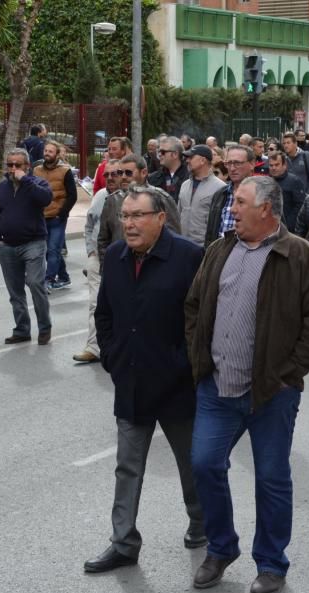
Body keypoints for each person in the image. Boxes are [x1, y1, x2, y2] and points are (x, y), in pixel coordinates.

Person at [185, 175, 309, 593]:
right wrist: (200, 357)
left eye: (239, 201)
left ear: (266, 209)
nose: (232, 209)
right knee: (204, 465)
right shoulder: (220, 250)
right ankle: (221, 547)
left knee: (271, 478)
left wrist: (286, 375)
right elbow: (194, 305)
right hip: (217, 389)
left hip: (271, 394)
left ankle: (271, 563)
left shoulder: (303, 258)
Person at [84, 186, 207, 573]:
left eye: (138, 216)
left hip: (176, 386)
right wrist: (113, 359)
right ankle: (123, 542)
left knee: (192, 464)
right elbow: (104, 314)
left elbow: (202, 323)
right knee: (127, 466)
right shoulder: (118, 255)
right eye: (125, 216)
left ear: (160, 219)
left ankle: (202, 523)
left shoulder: (188, 257)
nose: (130, 224)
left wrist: (182, 366)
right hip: (131, 383)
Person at [0, 148, 53, 345]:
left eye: (18, 165)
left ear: (27, 166)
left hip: (33, 242)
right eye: (10, 165)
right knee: (15, 291)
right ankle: (22, 329)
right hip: (7, 246)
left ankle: (44, 327)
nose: (13, 169)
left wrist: (24, 180)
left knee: (35, 283)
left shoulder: (37, 183)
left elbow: (45, 199)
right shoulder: (1, 188)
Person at [74, 159, 119, 365]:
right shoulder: (100, 196)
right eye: (107, 175)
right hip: (98, 259)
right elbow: (90, 224)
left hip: (122, 260)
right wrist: (91, 251)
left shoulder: (134, 197)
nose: (110, 178)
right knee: (95, 303)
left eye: (115, 174)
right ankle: (94, 347)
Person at [98, 155, 180, 258]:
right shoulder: (112, 200)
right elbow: (103, 240)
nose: (123, 177)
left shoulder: (161, 198)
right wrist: (106, 266)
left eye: (128, 173)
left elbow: (174, 237)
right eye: (120, 173)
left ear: (144, 173)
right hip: (121, 264)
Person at [33, 139, 77, 291]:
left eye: (50, 151)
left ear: (57, 154)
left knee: (52, 250)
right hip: (41, 217)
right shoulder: (37, 170)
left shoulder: (65, 171)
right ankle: (64, 277)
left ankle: (49, 280)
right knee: (51, 251)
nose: (47, 153)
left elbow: (72, 195)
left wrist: (62, 213)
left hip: (58, 217)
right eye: (45, 151)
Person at [204, 145, 255, 246]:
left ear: (252, 164)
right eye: (228, 163)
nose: (232, 168)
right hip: (219, 257)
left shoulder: (264, 194)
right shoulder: (220, 194)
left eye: (237, 163)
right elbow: (210, 233)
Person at [178, 144, 226, 245]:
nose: (187, 161)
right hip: (182, 245)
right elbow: (179, 214)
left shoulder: (220, 187)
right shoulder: (185, 185)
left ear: (203, 160)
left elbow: (220, 222)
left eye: (191, 157)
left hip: (204, 249)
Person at [267, 152, 305, 232]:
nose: (273, 168)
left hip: (288, 229)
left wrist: (288, 225)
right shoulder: (266, 182)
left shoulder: (294, 181)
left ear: (284, 165)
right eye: (271, 165)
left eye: (277, 165)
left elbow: (300, 206)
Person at [147, 136, 190, 203]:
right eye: (159, 151)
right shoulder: (153, 178)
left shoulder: (190, 177)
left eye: (163, 152)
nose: (159, 154)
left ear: (175, 154)